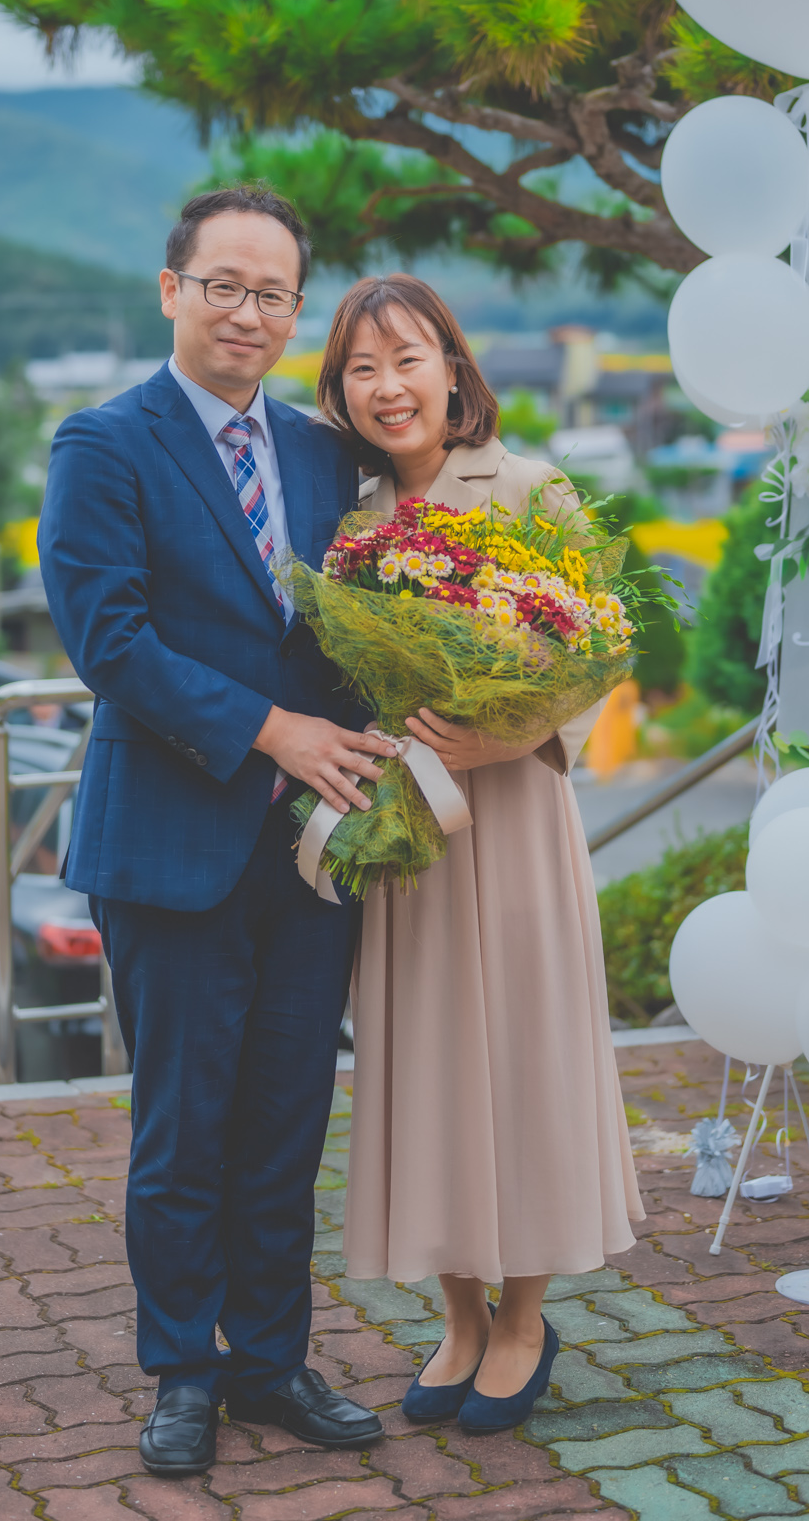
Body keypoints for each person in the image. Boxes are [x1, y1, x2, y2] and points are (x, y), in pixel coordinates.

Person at [38, 186, 393, 1478]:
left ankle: (272, 1361)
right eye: (224, 285)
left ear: (296, 311)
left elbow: (357, 629)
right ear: (171, 290)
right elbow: (110, 640)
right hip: (170, 844)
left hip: (311, 849)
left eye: (272, 293)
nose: (247, 311)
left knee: (287, 1117)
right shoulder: (102, 443)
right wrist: (272, 730)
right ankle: (182, 1369)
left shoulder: (323, 453)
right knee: (182, 1127)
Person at [315, 273, 645, 1436]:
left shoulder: (528, 486)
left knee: (522, 1055)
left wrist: (510, 732)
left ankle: (524, 1318)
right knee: (426, 1060)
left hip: (511, 823)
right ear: (341, 391)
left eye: (406, 358)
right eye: (361, 367)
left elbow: (601, 652)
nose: (387, 385)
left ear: (453, 369)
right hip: (410, 831)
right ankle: (458, 1311)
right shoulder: (350, 528)